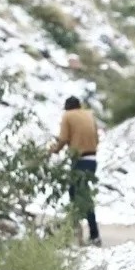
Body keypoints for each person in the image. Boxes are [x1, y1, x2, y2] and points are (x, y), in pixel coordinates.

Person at [50, 96, 102, 247]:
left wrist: (54, 150)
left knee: (81, 198)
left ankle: (93, 235)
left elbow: (63, 138)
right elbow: (96, 139)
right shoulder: (89, 115)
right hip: (92, 159)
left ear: (67, 108)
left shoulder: (67, 116)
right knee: (76, 193)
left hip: (79, 161)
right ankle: (75, 231)